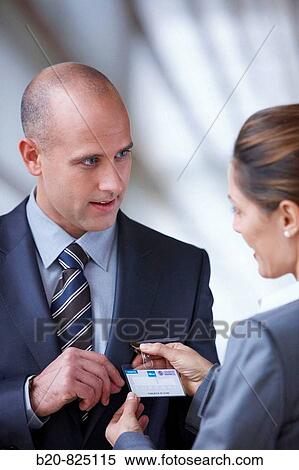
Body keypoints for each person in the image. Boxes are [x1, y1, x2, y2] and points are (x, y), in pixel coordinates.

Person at [0, 62, 218, 450]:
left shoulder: (184, 267)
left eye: (122, 154)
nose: (114, 183)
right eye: (90, 160)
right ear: (32, 156)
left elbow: (204, 438)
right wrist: (27, 399)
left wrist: (206, 393)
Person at [106, 104, 299, 450]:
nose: (235, 225)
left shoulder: (266, 340)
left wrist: (129, 444)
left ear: (287, 218)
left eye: (238, 209)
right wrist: (210, 381)